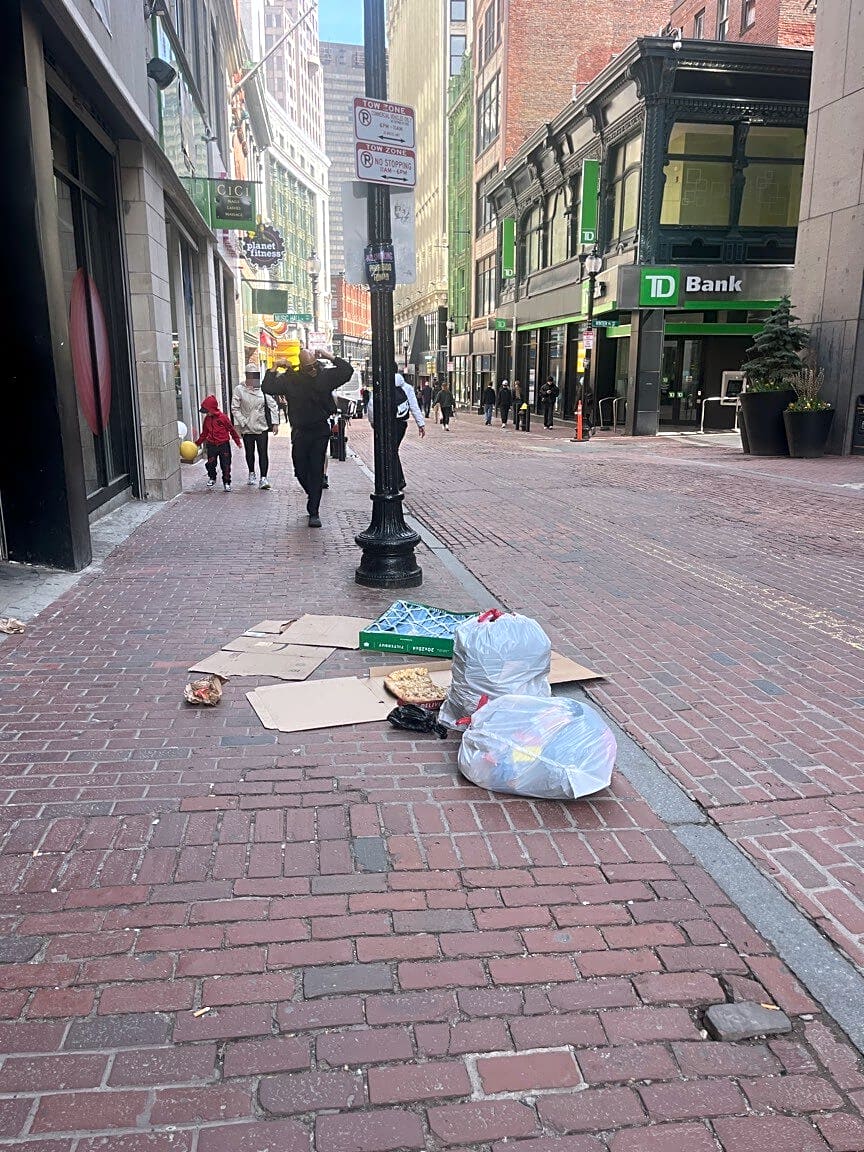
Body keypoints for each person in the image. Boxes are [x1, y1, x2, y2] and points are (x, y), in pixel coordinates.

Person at [263, 348, 353, 527]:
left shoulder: (325, 376)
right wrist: (274, 367)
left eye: (314, 365)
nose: (312, 369)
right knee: (300, 469)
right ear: (301, 366)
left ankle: (314, 511)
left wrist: (329, 356)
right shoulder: (292, 380)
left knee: (317, 469)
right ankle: (312, 493)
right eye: (308, 367)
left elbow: (347, 371)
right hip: (300, 431)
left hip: (320, 430)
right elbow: (268, 387)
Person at [366, 364, 425, 490]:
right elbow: (414, 406)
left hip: (385, 423)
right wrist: (420, 424)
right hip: (401, 423)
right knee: (393, 450)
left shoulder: (380, 386)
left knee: (389, 450)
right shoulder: (406, 387)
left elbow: (371, 406)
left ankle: (396, 479)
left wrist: (373, 421)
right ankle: (396, 479)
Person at [232, 364, 279, 490]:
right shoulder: (239, 389)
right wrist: (242, 421)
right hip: (247, 427)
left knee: (263, 452)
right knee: (249, 452)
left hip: (261, 425)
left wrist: (275, 423)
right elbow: (235, 408)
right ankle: (251, 472)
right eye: (250, 375)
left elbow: (272, 405)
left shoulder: (263, 389)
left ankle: (263, 478)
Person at [195, 394, 241, 492]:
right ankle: (212, 477)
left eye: (207, 411)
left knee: (226, 465)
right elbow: (204, 433)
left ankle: (227, 482)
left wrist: (237, 441)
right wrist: (197, 443)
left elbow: (231, 430)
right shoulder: (207, 419)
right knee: (211, 463)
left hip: (223, 445)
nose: (206, 414)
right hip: (211, 445)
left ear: (212, 409)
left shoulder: (223, 418)